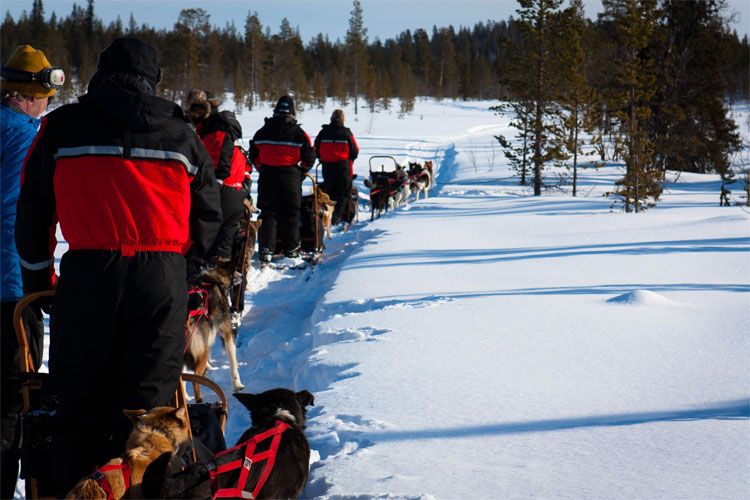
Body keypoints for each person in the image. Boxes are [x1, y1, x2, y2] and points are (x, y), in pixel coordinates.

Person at [14, 37, 222, 496]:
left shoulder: (61, 128)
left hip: (88, 276)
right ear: (153, 80)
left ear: (100, 74)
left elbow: (32, 214)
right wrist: (183, 272)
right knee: (149, 410)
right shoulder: (182, 134)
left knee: (78, 404)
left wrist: (40, 279)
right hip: (160, 280)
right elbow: (209, 212)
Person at [0, 44, 63, 499]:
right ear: (31, 94)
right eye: (47, 92)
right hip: (12, 287)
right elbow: (16, 213)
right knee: (12, 400)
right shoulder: (27, 136)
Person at [186, 90, 252, 264]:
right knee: (223, 247)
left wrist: (217, 180)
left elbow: (219, 158)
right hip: (236, 188)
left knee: (202, 241)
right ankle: (223, 277)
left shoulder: (215, 129)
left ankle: (201, 274)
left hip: (219, 190)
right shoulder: (225, 127)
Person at [248, 95, 315, 264]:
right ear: (292, 112)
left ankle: (265, 250)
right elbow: (310, 158)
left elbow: (253, 154)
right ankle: (291, 251)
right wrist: (300, 169)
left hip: (268, 176)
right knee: (291, 214)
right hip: (290, 177)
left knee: (268, 213)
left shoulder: (262, 131)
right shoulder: (299, 133)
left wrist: (262, 167)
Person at [314, 109, 359, 225]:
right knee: (343, 192)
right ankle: (337, 217)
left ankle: (328, 215)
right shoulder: (346, 133)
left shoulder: (323, 132)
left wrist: (321, 158)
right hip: (343, 165)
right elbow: (355, 150)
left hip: (327, 166)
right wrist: (350, 159)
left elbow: (315, 147)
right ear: (343, 119)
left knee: (329, 190)